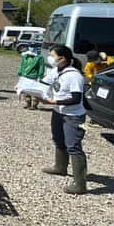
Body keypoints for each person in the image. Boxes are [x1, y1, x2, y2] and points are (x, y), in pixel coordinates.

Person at [40, 45, 89, 195]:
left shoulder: (74, 76)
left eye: (52, 55)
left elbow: (76, 98)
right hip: (58, 113)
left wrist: (53, 102)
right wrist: (26, 87)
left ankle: (80, 184)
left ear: (63, 58)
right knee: (58, 140)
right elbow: (43, 84)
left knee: (73, 146)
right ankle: (60, 167)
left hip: (73, 115)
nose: (50, 58)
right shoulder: (56, 71)